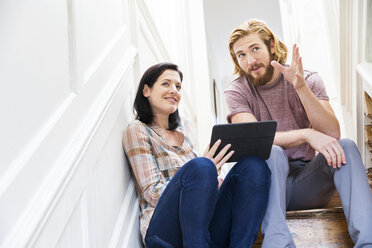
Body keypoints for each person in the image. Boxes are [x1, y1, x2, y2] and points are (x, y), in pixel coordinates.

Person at [224, 19, 372, 248]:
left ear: (271, 45)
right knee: (271, 151)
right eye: (241, 55)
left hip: (307, 183)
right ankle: (278, 244)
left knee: (346, 146)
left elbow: (331, 132)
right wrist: (305, 134)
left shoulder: (308, 79)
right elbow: (253, 140)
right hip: (268, 185)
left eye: (254, 48)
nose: (250, 60)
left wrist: (300, 88)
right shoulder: (237, 91)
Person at [123, 62, 271, 247]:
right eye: (166, 84)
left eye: (178, 86)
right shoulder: (138, 130)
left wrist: (211, 178)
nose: (174, 90)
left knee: (254, 166)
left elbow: (197, 192)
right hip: (164, 232)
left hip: (200, 229)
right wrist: (202, 172)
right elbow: (152, 193)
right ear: (146, 90)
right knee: (202, 166)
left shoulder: (184, 129)